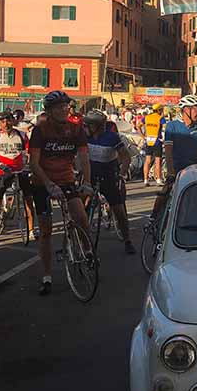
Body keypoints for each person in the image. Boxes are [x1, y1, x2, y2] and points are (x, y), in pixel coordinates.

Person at [28, 90, 93, 296]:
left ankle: (88, 252)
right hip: (42, 182)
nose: (64, 109)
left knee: (81, 216)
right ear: (49, 110)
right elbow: (33, 163)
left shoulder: (76, 129)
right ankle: (46, 276)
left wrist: (88, 182)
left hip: (66, 180)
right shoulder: (40, 130)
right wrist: (48, 184)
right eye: (58, 107)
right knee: (46, 231)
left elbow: (84, 159)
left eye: (66, 106)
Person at [84, 110, 136, 255]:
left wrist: (121, 175)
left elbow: (126, 157)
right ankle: (80, 239)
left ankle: (127, 241)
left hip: (108, 178)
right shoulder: (84, 137)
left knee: (119, 211)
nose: (85, 127)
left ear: (97, 126)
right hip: (90, 176)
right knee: (82, 207)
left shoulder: (112, 137)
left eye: (88, 125)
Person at [0, 110, 36, 243]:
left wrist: (28, 167)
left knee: (29, 201)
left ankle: (31, 230)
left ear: (13, 121)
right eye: (2, 121)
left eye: (8, 120)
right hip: (2, 172)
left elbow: (29, 152)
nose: (6, 123)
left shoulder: (22, 134)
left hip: (21, 171)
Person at [142, 103, 166, 187]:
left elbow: (137, 126)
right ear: (159, 110)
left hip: (148, 141)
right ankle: (158, 180)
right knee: (157, 161)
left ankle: (145, 180)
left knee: (147, 161)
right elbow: (165, 128)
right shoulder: (160, 118)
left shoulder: (146, 117)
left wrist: (143, 136)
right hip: (157, 141)